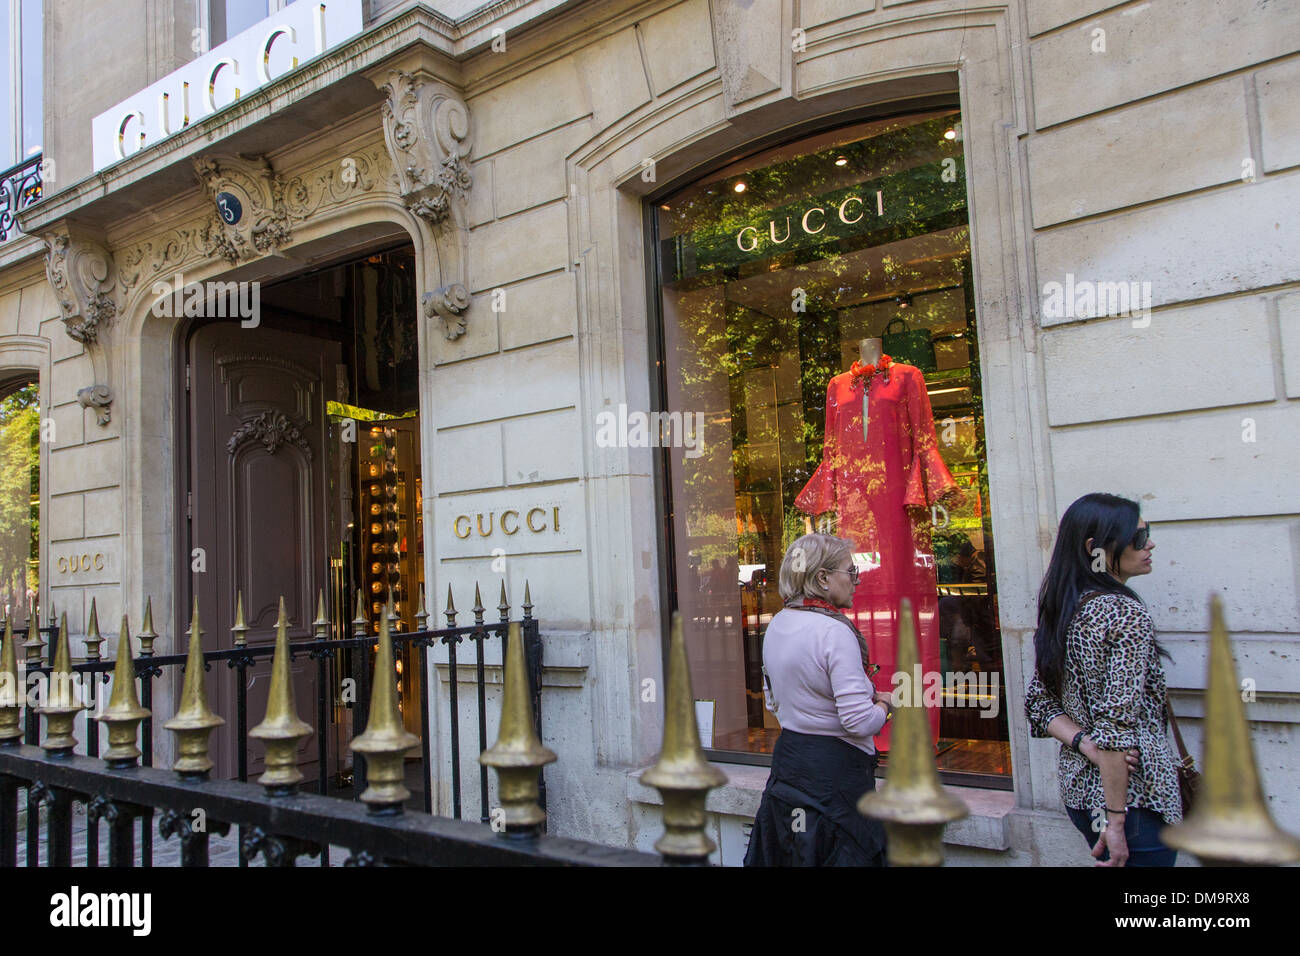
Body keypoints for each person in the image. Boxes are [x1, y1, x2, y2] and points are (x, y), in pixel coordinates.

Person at [1025, 492, 1182, 866]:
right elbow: (1115, 728)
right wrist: (1116, 819)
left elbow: (1039, 703)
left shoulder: (1066, 606)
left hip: (1080, 793)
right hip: (1134, 800)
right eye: (1138, 537)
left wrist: (1083, 744)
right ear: (1096, 548)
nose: (1149, 544)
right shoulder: (1123, 612)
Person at [743, 533, 895, 866]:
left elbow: (773, 704)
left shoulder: (778, 623)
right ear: (823, 578)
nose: (855, 581)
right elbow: (858, 722)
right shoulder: (834, 631)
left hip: (790, 767)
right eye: (849, 571)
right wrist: (885, 706)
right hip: (836, 781)